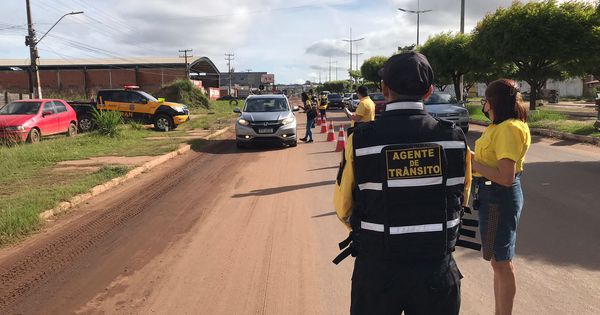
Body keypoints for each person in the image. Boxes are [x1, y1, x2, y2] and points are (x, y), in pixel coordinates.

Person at [333, 52, 476, 314]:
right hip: (437, 272)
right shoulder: (455, 138)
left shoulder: (361, 139)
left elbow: (344, 207)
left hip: (377, 272)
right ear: (429, 91)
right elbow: (462, 197)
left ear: (384, 89)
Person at [471, 79, 530, 315]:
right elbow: (492, 161)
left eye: (485, 100)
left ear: (492, 102)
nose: (484, 105)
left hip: (499, 196)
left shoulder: (508, 129)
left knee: (502, 263)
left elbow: (506, 176)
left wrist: (472, 162)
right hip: (492, 194)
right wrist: (471, 158)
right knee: (498, 261)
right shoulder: (499, 125)